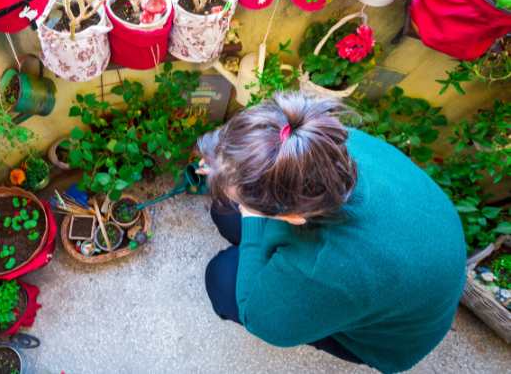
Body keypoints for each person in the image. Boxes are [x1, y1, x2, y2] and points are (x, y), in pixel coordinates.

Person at [197, 92, 466, 373]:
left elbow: (263, 322)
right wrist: (225, 167)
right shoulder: (314, 142)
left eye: (248, 205)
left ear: (293, 217)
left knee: (222, 278)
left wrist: (250, 217)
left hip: (387, 337)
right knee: (225, 211)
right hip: (413, 252)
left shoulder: (325, 269)